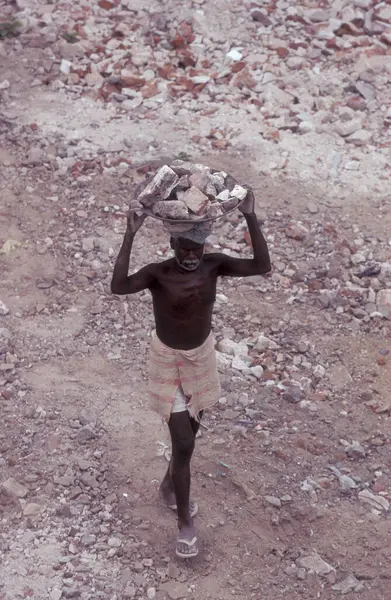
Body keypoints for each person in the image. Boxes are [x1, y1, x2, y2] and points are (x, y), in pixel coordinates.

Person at [111, 187, 271, 559]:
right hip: (167, 359)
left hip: (201, 357)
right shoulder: (157, 275)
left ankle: (169, 487)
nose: (190, 256)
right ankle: (185, 524)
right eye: (183, 248)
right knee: (183, 442)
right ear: (172, 244)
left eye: (195, 249)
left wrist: (250, 214)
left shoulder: (214, 265)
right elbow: (118, 287)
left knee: (190, 436)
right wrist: (130, 233)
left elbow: (261, 265)